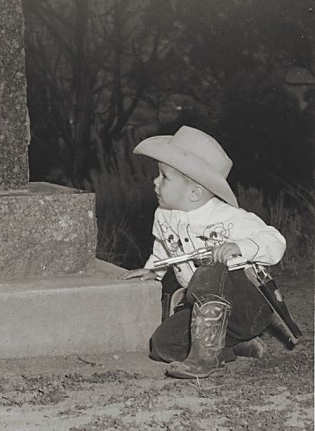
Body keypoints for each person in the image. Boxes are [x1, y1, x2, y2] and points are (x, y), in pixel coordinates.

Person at [122, 126, 286, 379]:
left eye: (164, 176)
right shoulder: (163, 215)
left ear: (195, 192)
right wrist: (154, 270)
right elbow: (164, 248)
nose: (155, 181)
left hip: (247, 308)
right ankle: (228, 346)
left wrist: (239, 247)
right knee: (162, 345)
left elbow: (275, 241)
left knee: (210, 267)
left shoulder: (229, 218)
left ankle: (205, 359)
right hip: (203, 315)